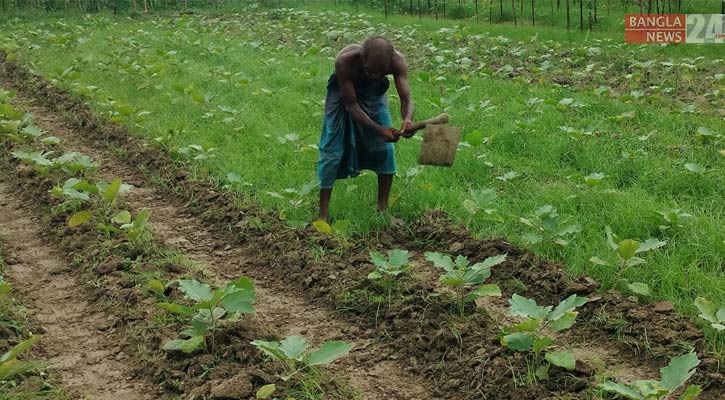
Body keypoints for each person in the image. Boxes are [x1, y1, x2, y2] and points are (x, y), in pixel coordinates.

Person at [316, 36, 415, 221]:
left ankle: (382, 209)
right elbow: (351, 106)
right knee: (332, 150)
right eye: (369, 71)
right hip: (343, 96)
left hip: (374, 95)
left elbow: (407, 99)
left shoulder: (397, 62)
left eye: (380, 73)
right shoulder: (345, 60)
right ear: (362, 58)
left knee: (385, 150)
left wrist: (407, 119)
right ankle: (323, 214)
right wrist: (379, 129)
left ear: (388, 64)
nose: (374, 76)